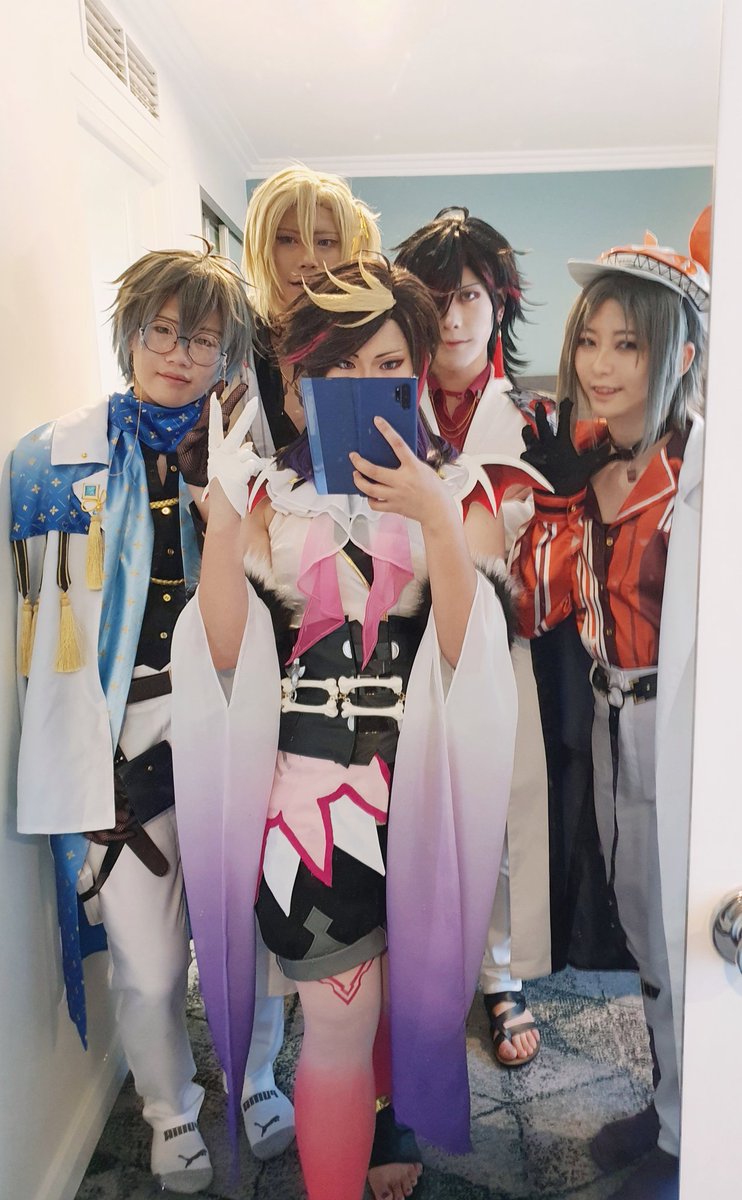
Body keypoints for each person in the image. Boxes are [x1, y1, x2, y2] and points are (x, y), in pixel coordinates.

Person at [169, 258, 520, 1200]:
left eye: (390, 365)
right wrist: (221, 524)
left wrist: (437, 522)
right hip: (311, 806)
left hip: (424, 795)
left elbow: (473, 661)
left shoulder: (463, 491)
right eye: (340, 367)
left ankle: (389, 1125)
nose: (367, 384)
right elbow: (223, 656)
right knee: (335, 1022)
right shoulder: (264, 500)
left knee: (410, 995)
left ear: (417, 374)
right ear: (299, 381)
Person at [10, 246, 293, 1194]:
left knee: (253, 935)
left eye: (203, 339)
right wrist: (74, 764)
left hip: (237, 722)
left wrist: (227, 500)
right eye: (162, 331)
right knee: (149, 960)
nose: (179, 353)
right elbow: (43, 643)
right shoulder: (55, 462)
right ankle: (169, 1109)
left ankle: (257, 1078)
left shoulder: (259, 465)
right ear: (130, 333)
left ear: (229, 354)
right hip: (121, 737)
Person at [515, 215, 710, 1200]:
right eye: (589, 339)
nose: (598, 363)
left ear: (678, 353)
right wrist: (549, 502)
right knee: (642, 924)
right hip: (608, 718)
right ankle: (673, 1104)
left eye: (627, 343)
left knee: (685, 933)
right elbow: (538, 602)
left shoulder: (703, 474)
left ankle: (693, 1137)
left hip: (683, 731)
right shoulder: (589, 463)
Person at [395, 208, 550, 1067]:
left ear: (500, 304)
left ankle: (499, 971)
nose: (451, 318)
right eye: (434, 299)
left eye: (468, 298)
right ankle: (418, 958)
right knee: (405, 804)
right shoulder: (382, 403)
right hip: (398, 637)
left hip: (500, 642)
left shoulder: (539, 420)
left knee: (498, 801)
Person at [241, 164, 382, 454]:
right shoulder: (234, 344)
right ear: (262, 247)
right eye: (287, 240)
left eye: (325, 242)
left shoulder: (373, 342)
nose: (308, 259)